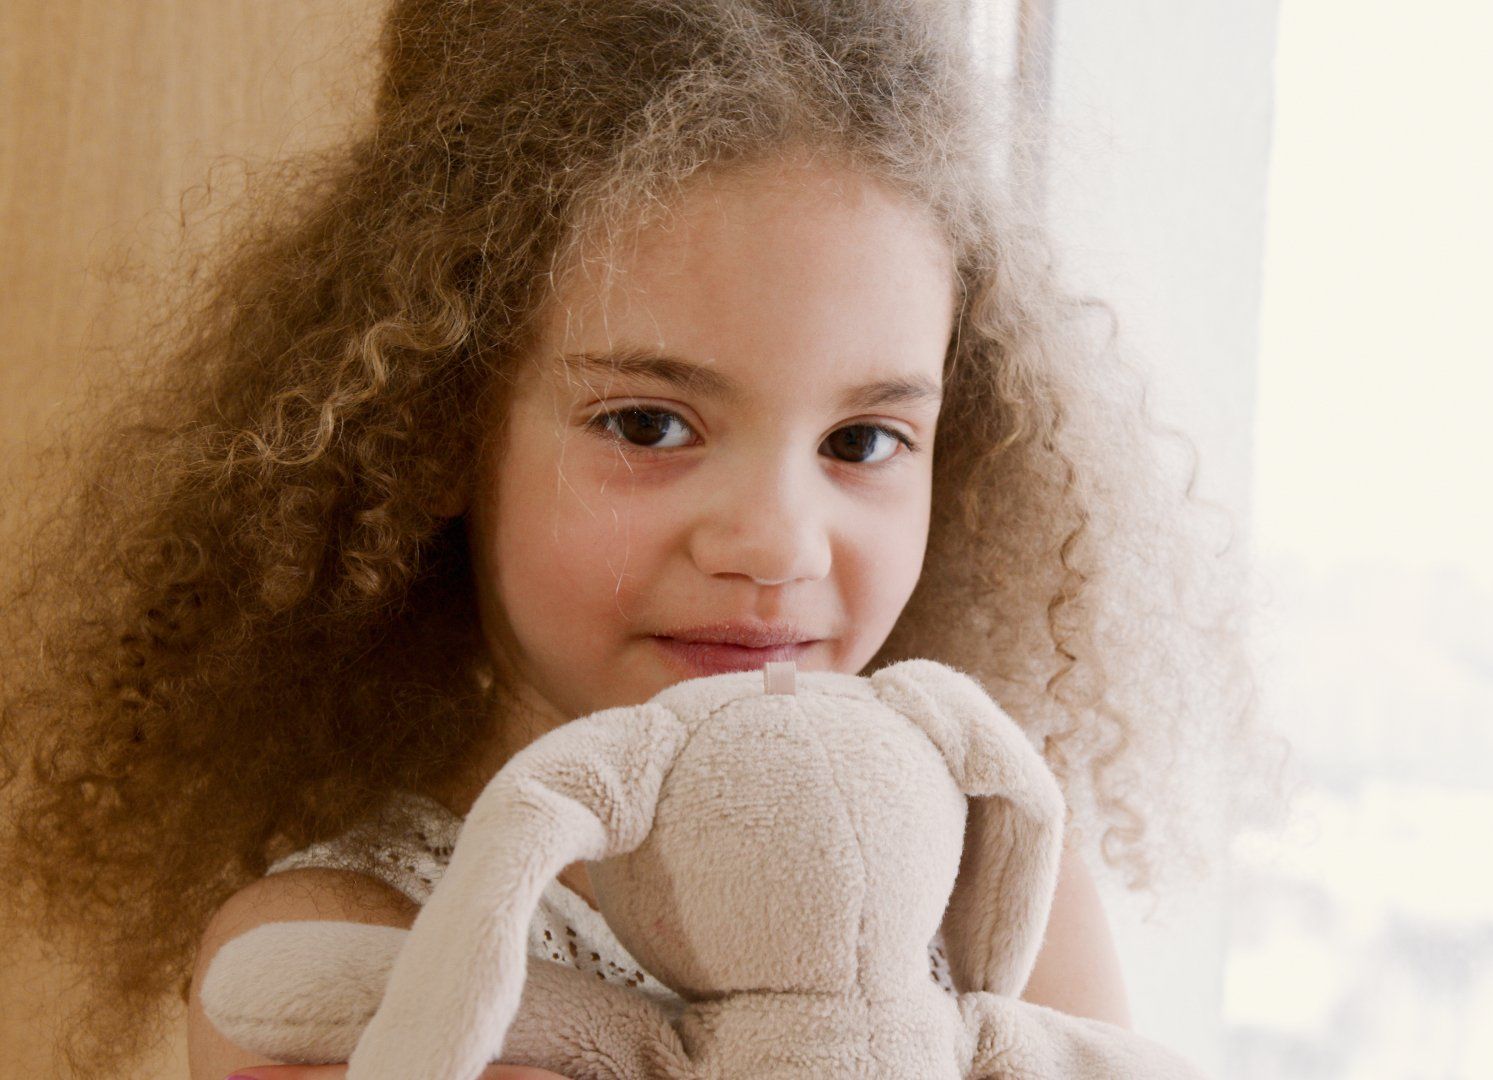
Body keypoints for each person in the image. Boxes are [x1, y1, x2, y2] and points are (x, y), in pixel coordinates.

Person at [0, 1, 1280, 1078]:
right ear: (437, 430)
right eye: (650, 424)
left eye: (864, 442)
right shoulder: (339, 945)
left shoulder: (998, 877)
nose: (777, 543)